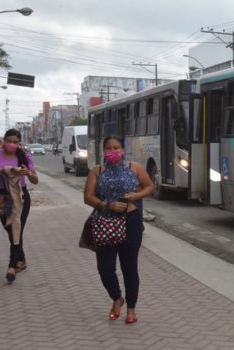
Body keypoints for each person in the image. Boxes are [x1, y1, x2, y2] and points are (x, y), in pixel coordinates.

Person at [83, 135, 153, 324]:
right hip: (105, 222)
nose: (112, 152)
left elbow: (149, 187)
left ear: (123, 150)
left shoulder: (134, 168)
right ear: (103, 151)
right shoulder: (97, 171)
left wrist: (136, 195)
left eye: (116, 148)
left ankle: (131, 308)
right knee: (105, 269)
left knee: (129, 267)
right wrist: (108, 205)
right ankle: (117, 298)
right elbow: (88, 197)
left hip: (131, 221)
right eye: (108, 148)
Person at [0, 129, 38, 283]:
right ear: (3, 141)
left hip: (21, 198)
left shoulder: (24, 156)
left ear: (19, 143)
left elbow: (35, 180)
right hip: (3, 198)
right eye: (9, 141)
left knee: (15, 228)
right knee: (10, 230)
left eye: (15, 142)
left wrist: (28, 173)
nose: (12, 144)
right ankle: (22, 259)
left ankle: (12, 266)